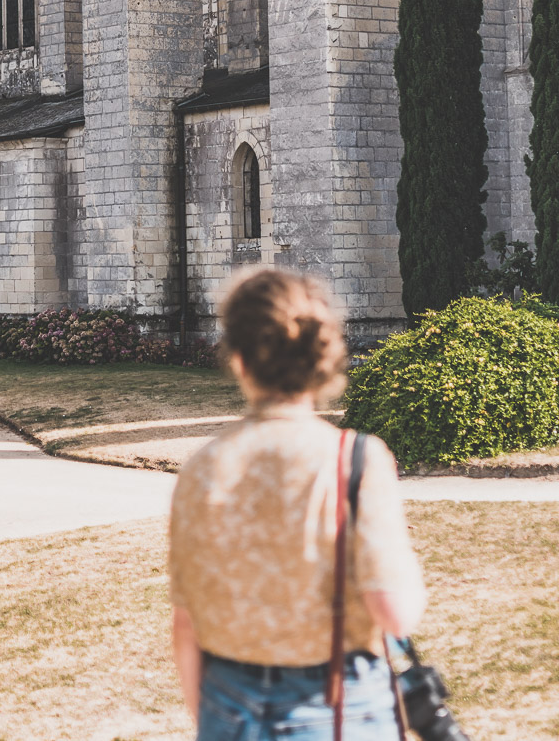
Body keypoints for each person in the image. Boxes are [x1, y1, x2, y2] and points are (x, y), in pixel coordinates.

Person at [168, 267, 426, 740]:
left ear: (239, 360)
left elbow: (186, 624)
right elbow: (395, 612)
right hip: (337, 699)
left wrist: (210, 716)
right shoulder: (356, 459)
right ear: (324, 357)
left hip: (229, 700)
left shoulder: (201, 468)